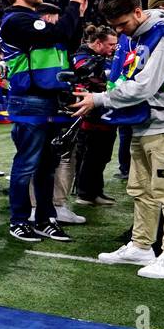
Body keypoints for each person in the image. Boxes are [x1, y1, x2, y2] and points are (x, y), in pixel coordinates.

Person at [72, 0, 164, 279]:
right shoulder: (140, 33)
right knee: (141, 189)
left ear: (138, 12)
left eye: (122, 24)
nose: (118, 31)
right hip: (145, 125)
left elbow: (145, 86)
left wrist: (99, 99)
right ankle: (141, 245)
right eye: (114, 27)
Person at [0, 0, 89, 242]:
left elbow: (69, 42)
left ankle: (45, 218)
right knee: (27, 163)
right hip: (30, 99)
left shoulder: (34, 20)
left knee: (47, 164)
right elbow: (59, 33)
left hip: (48, 97)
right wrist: (72, 3)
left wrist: (79, 14)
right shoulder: (16, 20)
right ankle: (19, 220)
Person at [72, 25, 119, 207]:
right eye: (110, 44)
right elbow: (86, 77)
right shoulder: (83, 56)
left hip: (104, 113)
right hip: (91, 116)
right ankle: (86, 194)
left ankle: (94, 192)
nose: (114, 48)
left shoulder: (101, 57)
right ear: (98, 43)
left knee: (100, 155)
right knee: (92, 155)